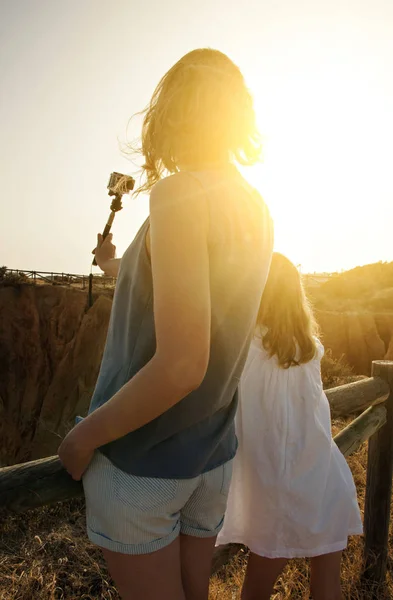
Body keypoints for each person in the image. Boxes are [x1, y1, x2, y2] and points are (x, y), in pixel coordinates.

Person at [58, 48, 274, 600]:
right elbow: (206, 294)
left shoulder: (178, 193)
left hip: (143, 464)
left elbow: (182, 364)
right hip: (211, 460)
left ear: (171, 112)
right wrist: (116, 264)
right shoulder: (256, 208)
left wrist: (84, 437)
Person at [217, 253, 363, 600]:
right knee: (327, 587)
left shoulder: (243, 348)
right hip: (324, 478)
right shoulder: (311, 349)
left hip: (276, 488)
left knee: (255, 590)